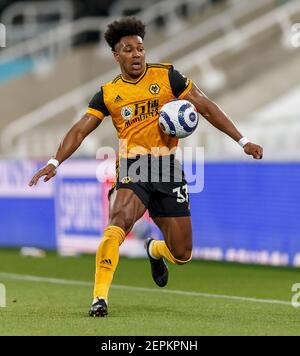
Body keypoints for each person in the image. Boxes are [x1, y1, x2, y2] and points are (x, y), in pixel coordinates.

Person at [29, 16, 263, 317]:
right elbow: (79, 130)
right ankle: (99, 298)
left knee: (182, 254)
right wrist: (54, 161)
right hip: (133, 166)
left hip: (167, 168)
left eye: (140, 48)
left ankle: (154, 249)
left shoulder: (167, 77)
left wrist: (243, 140)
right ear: (117, 56)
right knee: (118, 222)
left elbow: (204, 106)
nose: (136, 54)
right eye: (128, 49)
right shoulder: (108, 93)